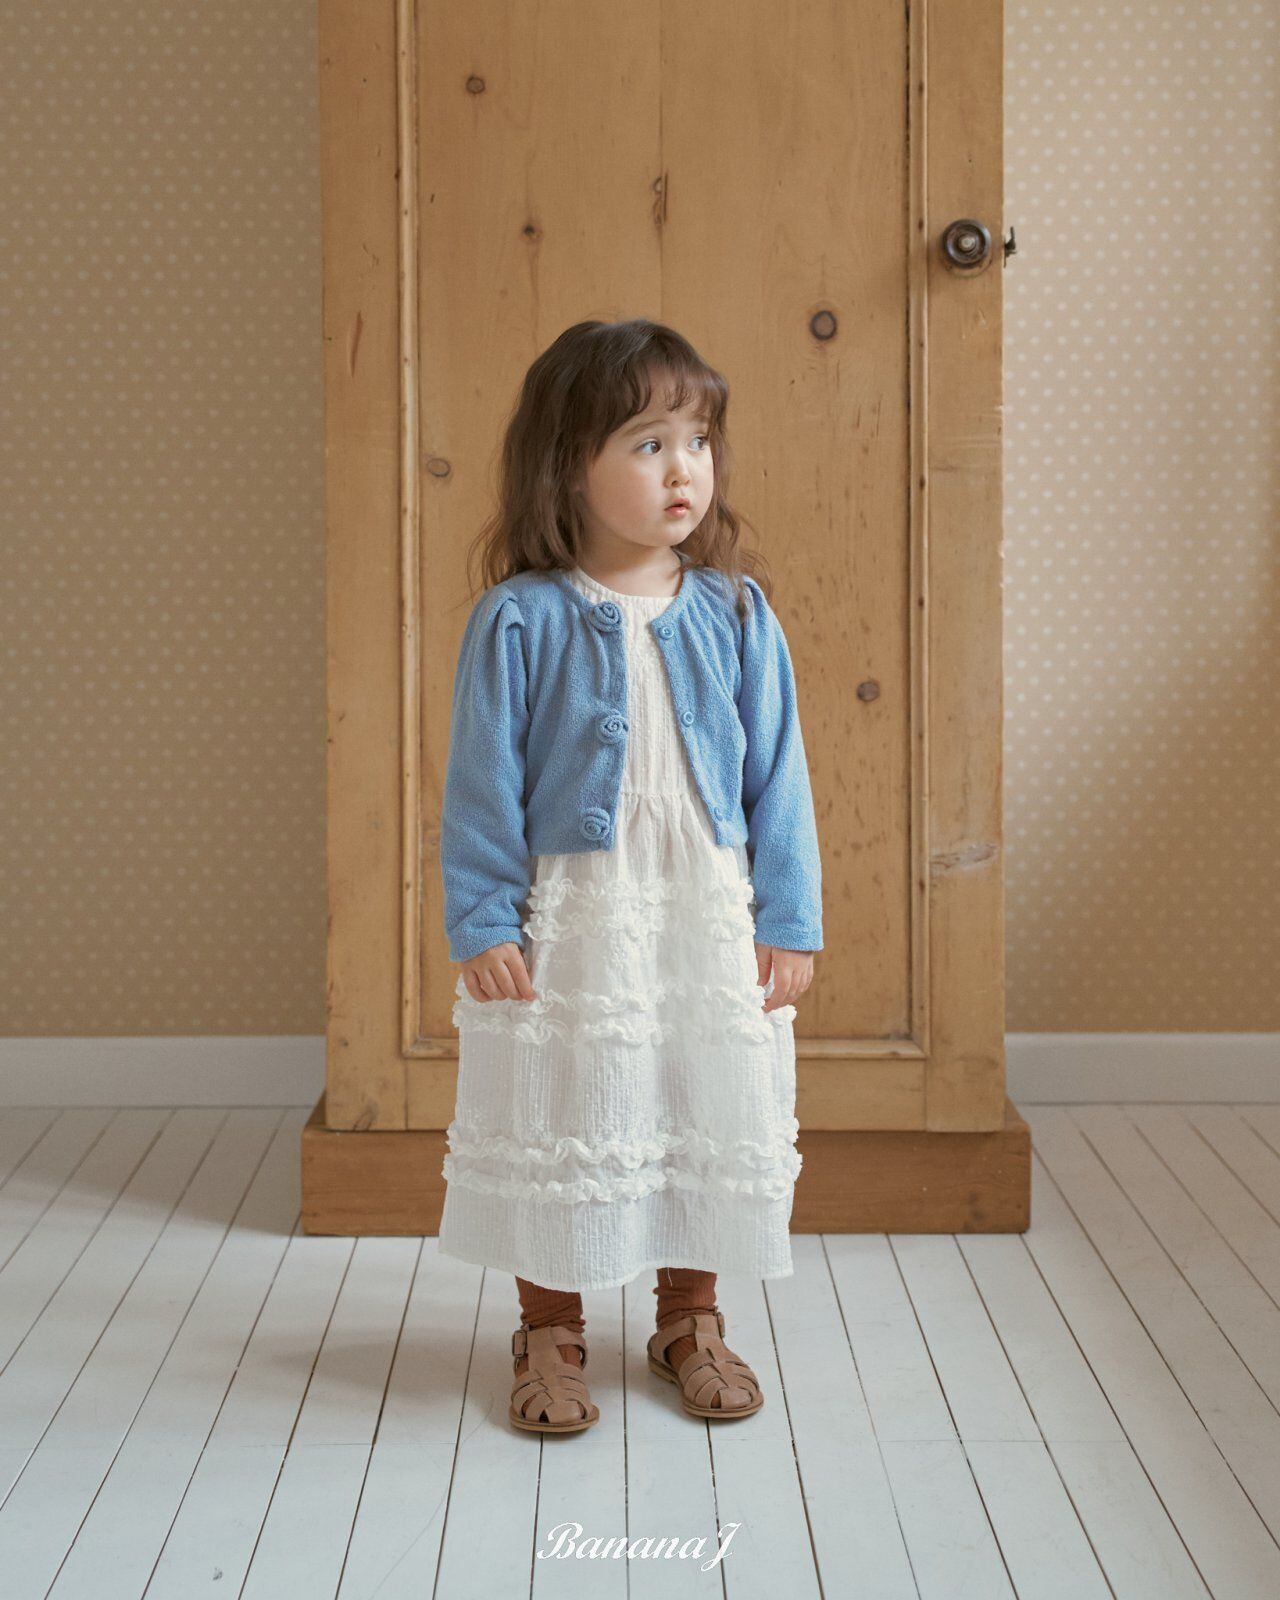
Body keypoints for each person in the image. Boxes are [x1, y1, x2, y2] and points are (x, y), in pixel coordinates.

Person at [437, 317, 823, 1435]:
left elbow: (779, 778)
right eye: (649, 444)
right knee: (563, 1098)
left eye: (696, 441)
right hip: (576, 917)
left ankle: (688, 1317)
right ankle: (549, 1328)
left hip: (702, 909)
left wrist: (789, 916)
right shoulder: (520, 618)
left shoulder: (738, 613)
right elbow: (480, 786)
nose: (683, 469)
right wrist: (480, 917)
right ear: (570, 464)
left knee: (700, 1091)